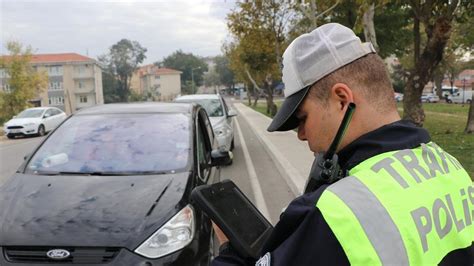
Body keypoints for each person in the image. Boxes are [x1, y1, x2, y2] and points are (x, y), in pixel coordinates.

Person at [212, 23, 473, 265]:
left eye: (302, 118)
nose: (301, 135)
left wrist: (229, 252)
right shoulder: (451, 167)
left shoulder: (332, 215)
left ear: (341, 100)